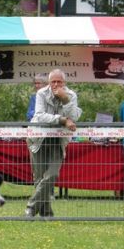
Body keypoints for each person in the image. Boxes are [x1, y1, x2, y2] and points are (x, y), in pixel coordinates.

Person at [26, 69, 82, 218]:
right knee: (39, 178)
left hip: (57, 139)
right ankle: (46, 213)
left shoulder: (71, 95)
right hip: (38, 137)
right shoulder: (41, 93)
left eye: (59, 82)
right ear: (49, 82)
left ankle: (31, 207)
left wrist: (65, 100)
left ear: (64, 82)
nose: (56, 84)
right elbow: (40, 116)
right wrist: (62, 120)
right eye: (53, 82)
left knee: (52, 174)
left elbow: (74, 117)